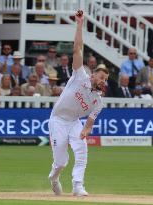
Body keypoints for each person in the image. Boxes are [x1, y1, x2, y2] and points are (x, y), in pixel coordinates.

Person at [48, 10, 109, 197]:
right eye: (101, 77)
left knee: (82, 151)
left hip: (74, 122)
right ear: (92, 75)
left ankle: (77, 185)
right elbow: (77, 48)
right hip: (58, 120)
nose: (103, 81)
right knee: (61, 162)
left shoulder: (99, 100)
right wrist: (80, 24)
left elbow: (90, 121)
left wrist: (85, 131)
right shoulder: (79, 75)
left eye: (105, 79)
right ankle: (54, 178)